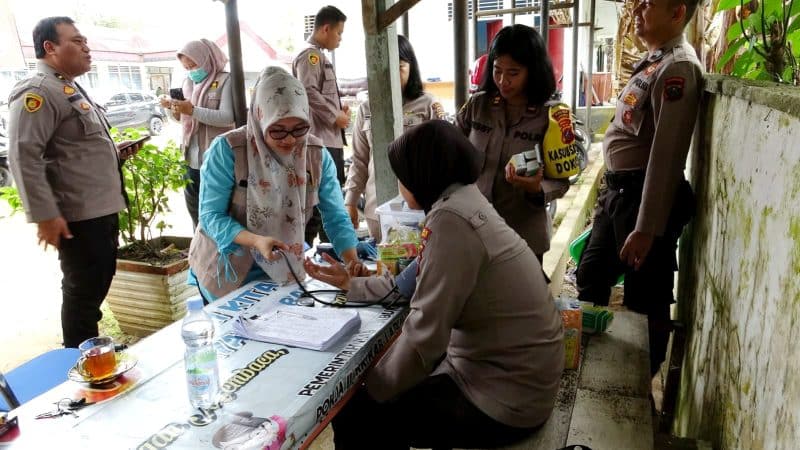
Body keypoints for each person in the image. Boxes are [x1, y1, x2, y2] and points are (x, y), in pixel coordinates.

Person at [304, 121, 564, 450]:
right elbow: (407, 284)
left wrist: (369, 388)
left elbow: (425, 334)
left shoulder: (451, 221)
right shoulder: (465, 201)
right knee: (378, 395)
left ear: (423, 174)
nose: (400, 183)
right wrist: (351, 284)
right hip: (522, 381)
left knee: (357, 412)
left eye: (402, 174)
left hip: (504, 399)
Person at [575, 0, 702, 377]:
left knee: (646, 298)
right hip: (619, 195)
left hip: (643, 198)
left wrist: (647, 228)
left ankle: (637, 382)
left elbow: (666, 155)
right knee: (591, 275)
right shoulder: (655, 61)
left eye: (649, 4)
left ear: (677, 12)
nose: (639, 9)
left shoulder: (677, 67)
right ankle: (591, 368)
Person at [7, 17, 145, 348]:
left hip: (99, 208)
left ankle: (91, 348)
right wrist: (44, 215)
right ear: (50, 48)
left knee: (95, 284)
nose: (87, 47)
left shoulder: (67, 86)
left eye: (85, 41)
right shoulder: (37, 91)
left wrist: (118, 154)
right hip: (78, 215)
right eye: (77, 41)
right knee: (83, 292)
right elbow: (23, 156)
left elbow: (73, 150)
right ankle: (81, 361)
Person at [187, 66, 359, 301]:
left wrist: (352, 262)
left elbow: (336, 216)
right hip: (227, 271)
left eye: (299, 128)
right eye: (277, 130)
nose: (290, 140)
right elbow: (210, 217)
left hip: (285, 268)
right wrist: (256, 241)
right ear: (259, 118)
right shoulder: (228, 151)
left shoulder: (315, 154)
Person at [457, 25, 570, 263]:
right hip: (476, 230)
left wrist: (536, 189)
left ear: (533, 71)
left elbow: (561, 181)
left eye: (513, 73)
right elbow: (451, 149)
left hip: (524, 236)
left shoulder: (551, 116)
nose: (502, 81)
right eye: (497, 70)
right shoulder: (478, 106)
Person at [343, 35, 446, 240]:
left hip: (419, 210)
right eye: (384, 69)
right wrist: (351, 201)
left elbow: (443, 159)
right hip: (377, 211)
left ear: (411, 68)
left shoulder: (428, 106)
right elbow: (360, 161)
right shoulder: (367, 109)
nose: (390, 75)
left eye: (399, 67)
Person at [160, 39, 235, 230]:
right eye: (186, 67)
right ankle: (200, 253)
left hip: (217, 160)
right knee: (196, 215)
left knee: (217, 215)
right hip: (191, 159)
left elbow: (227, 117)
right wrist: (173, 108)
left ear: (206, 59)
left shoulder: (227, 80)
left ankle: (219, 256)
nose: (191, 70)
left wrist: (192, 110)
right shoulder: (188, 82)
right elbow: (182, 119)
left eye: (193, 65)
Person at [293, 5, 349, 245]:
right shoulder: (310, 55)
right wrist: (334, 116)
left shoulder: (318, 55)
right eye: (339, 33)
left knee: (330, 201)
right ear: (325, 28)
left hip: (328, 139)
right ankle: (306, 254)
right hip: (320, 142)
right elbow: (307, 90)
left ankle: (332, 251)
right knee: (318, 206)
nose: (340, 39)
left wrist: (339, 111)